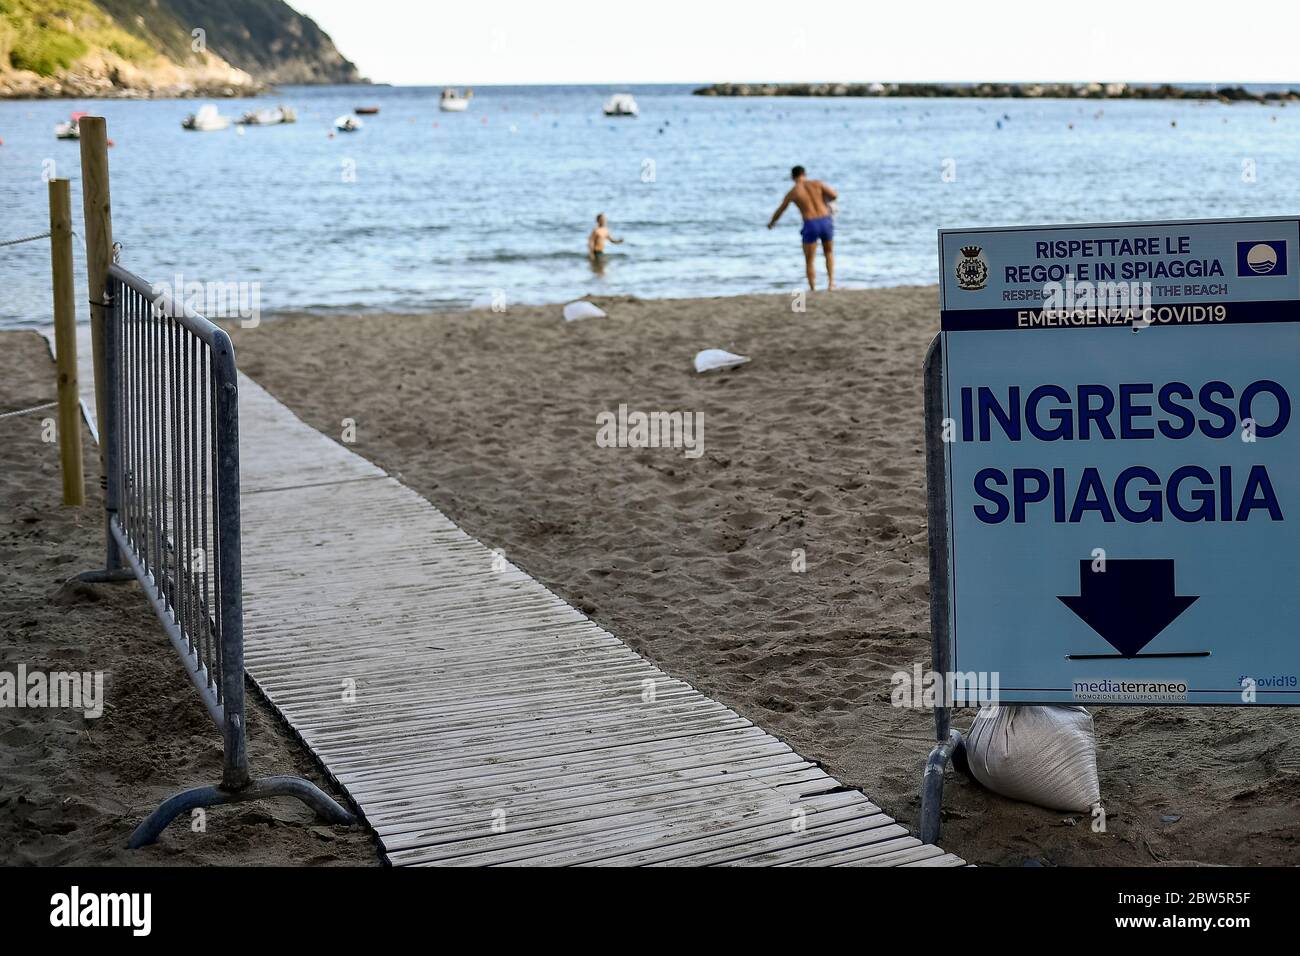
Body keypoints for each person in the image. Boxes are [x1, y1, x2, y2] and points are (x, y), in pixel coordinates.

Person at [767, 166, 837, 290]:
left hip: (810, 223)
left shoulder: (793, 192)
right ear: (805, 173)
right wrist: (824, 200)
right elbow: (834, 195)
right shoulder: (817, 183)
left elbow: (781, 209)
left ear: (792, 177)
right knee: (829, 252)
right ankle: (831, 283)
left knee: (809, 259)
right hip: (825, 220)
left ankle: (813, 288)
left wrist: (772, 222)